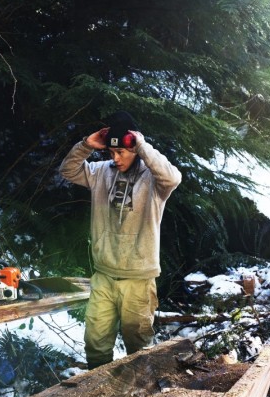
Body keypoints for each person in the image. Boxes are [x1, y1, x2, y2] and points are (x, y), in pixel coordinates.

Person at [59, 111, 182, 369]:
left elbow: (173, 177)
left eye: (121, 153)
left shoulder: (154, 178)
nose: (114, 159)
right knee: (96, 344)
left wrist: (142, 145)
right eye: (111, 153)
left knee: (138, 350)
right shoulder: (101, 172)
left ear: (134, 147)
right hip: (104, 275)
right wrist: (85, 145)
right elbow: (68, 170)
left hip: (138, 278)